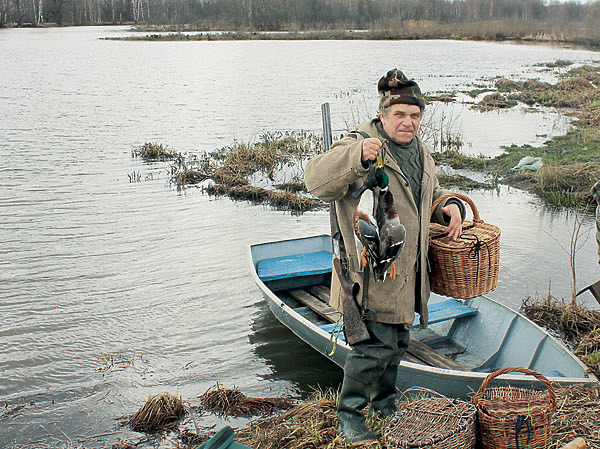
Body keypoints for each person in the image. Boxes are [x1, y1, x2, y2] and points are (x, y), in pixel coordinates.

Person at [304, 69, 465, 444]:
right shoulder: (359, 142)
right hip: (370, 272)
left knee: (398, 342)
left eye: (415, 115)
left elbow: (429, 193)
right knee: (373, 347)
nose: (408, 122)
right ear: (383, 115)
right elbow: (315, 181)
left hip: (407, 270)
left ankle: (384, 405)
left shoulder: (421, 151)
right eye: (399, 115)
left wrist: (448, 207)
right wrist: (357, 157)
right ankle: (350, 414)